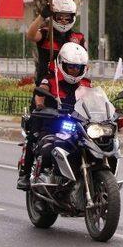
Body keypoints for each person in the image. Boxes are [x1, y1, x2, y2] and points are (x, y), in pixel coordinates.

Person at [17, 42, 90, 190]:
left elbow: (95, 100)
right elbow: (40, 93)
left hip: (77, 122)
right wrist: (41, 107)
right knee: (42, 144)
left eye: (78, 67)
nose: (75, 71)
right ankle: (25, 175)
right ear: (63, 64)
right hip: (53, 121)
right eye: (71, 67)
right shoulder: (51, 79)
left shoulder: (85, 83)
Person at [26, 0, 85, 85]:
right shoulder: (46, 34)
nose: (64, 20)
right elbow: (30, 36)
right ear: (53, 16)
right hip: (46, 84)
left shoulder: (78, 38)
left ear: (72, 17)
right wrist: (42, 16)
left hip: (68, 86)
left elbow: (85, 63)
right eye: (60, 17)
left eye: (67, 17)